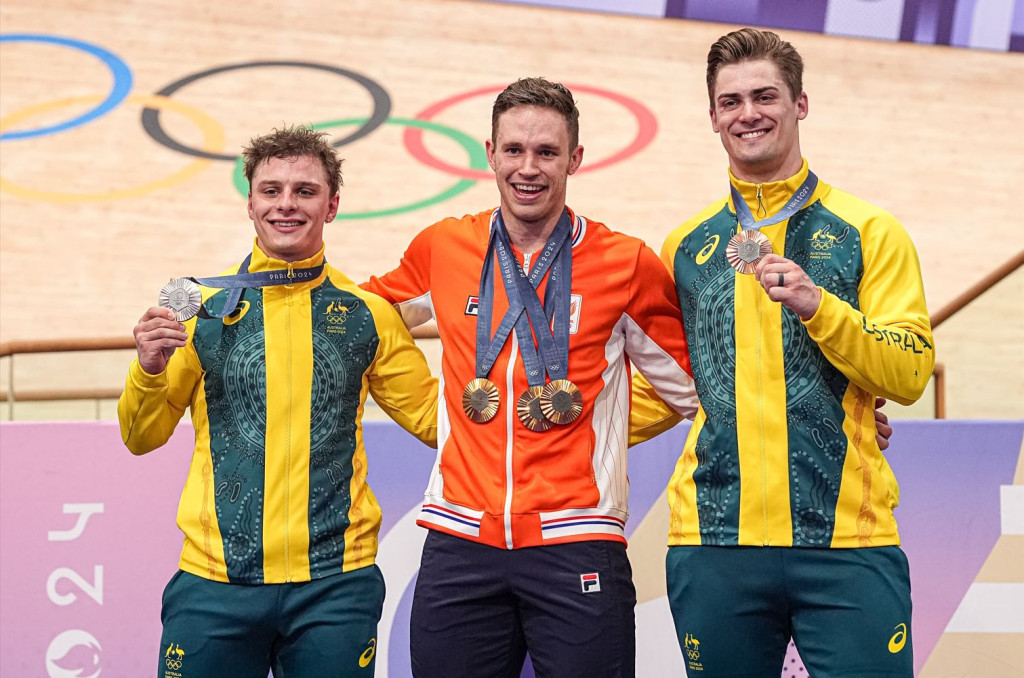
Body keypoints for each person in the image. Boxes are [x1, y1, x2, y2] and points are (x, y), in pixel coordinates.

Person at [361, 77, 700, 677]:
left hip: (577, 541)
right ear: (489, 153)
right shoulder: (445, 248)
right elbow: (361, 316)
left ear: (575, 159)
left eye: (547, 152)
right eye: (514, 150)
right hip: (459, 539)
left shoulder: (624, 263)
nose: (529, 168)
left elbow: (695, 389)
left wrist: (602, 425)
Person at [636, 27, 935, 677]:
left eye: (765, 95)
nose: (749, 113)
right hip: (715, 540)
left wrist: (819, 306)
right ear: (713, 116)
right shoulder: (686, 246)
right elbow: (669, 385)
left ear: (800, 104)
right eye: (731, 101)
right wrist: (561, 414)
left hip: (847, 542)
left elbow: (910, 370)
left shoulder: (869, 231)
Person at [117, 126, 438, 678]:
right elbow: (140, 437)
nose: (286, 204)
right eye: (271, 190)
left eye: (305, 191)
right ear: (249, 201)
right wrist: (148, 370)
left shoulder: (368, 315)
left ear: (332, 205)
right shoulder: (201, 312)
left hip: (335, 587)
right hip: (215, 585)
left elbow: (440, 424)